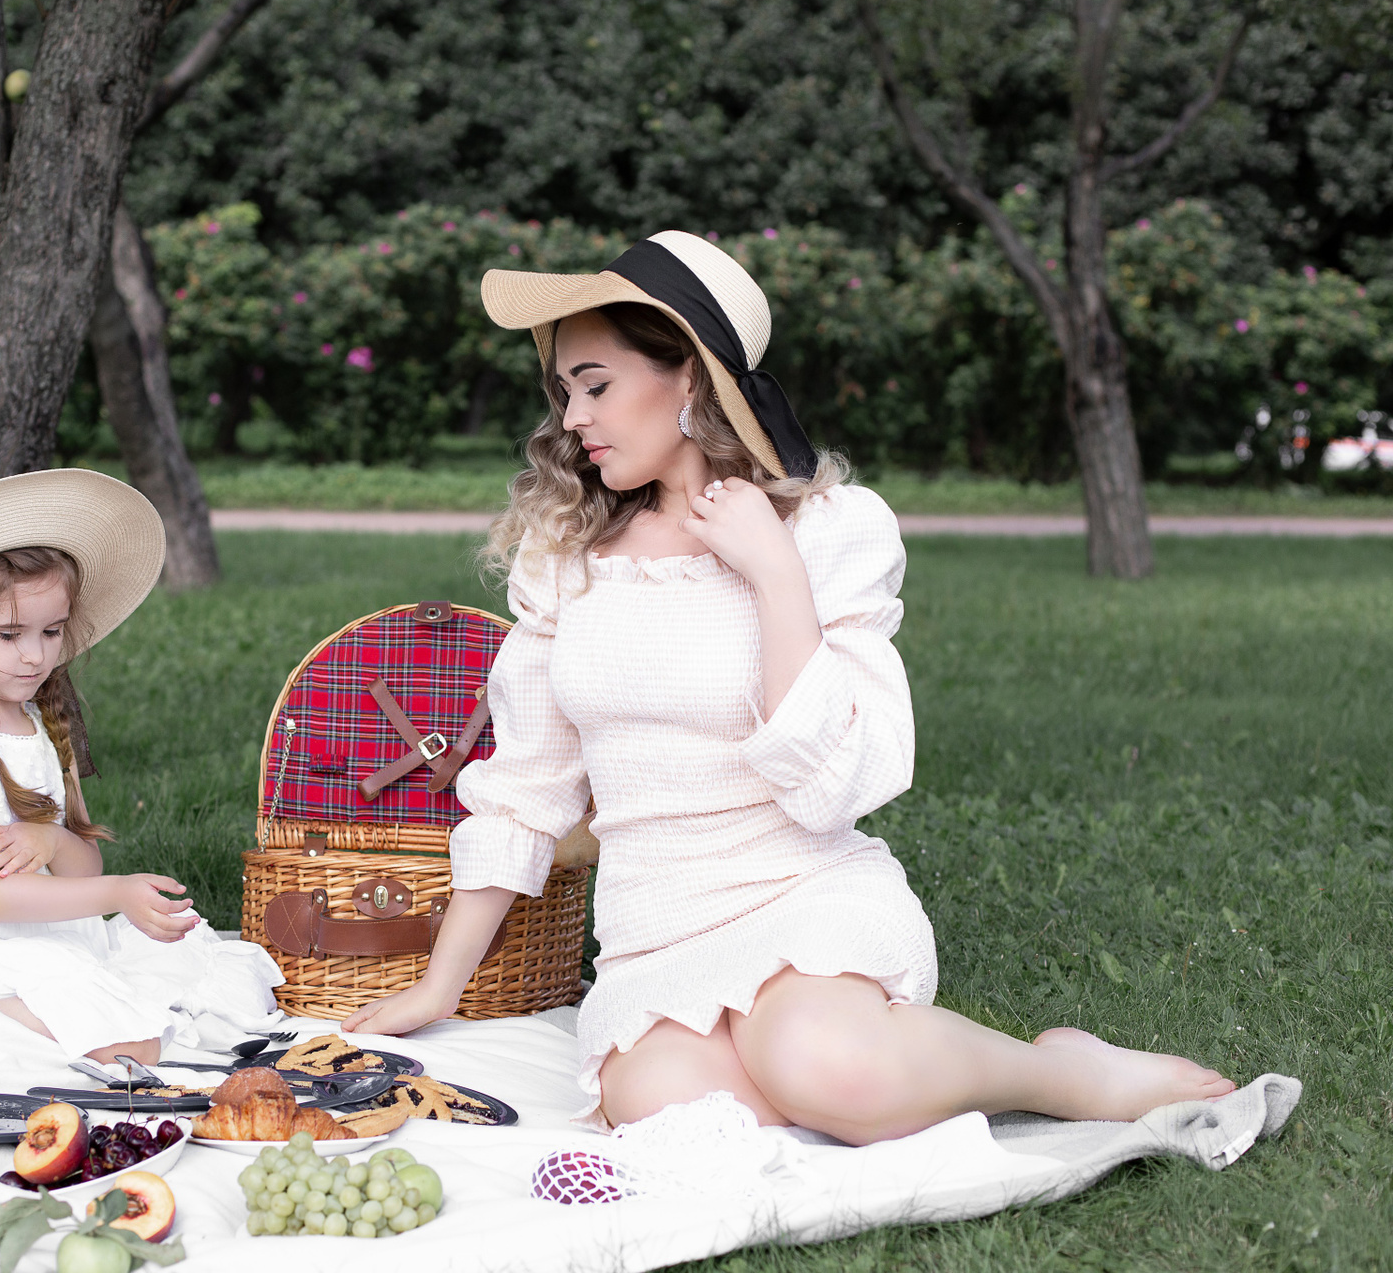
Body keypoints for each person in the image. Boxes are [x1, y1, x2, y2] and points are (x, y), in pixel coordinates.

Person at [345, 231, 1234, 1142]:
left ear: (689, 379)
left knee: (823, 1066)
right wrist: (440, 986)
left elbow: (835, 788)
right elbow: (526, 791)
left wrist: (774, 574)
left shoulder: (826, 532)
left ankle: (1062, 1070)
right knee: (670, 1116)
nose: (573, 416)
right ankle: (840, 1076)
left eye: (597, 385)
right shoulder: (565, 557)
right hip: (654, 928)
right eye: (566, 390)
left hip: (800, 892)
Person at [0, 469, 281, 1066]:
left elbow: (84, 863)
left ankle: (40, 1010)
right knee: (134, 1044)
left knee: (207, 970)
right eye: (9, 634)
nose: (35, 655)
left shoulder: (47, 725)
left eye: (51, 632)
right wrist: (115, 893)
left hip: (52, 933)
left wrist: (50, 840)